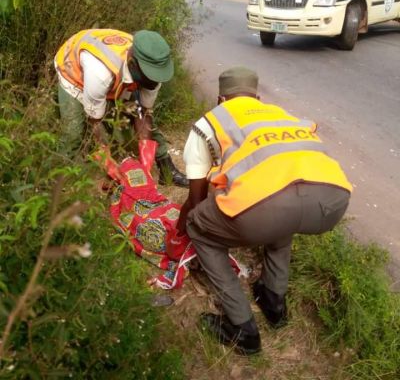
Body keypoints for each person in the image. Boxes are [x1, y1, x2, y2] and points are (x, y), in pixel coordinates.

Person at [177, 66, 352, 355]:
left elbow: (196, 197)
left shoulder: (210, 122)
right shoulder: (279, 114)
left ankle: (242, 329)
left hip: (279, 204)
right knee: (282, 209)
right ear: (256, 97)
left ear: (221, 99)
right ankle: (273, 301)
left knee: (199, 225)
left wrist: (185, 222)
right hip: (332, 200)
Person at [54, 28, 188, 187]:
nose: (153, 85)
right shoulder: (100, 73)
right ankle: (59, 184)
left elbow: (144, 114)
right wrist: (107, 161)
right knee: (73, 133)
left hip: (118, 75)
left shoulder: (153, 71)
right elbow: (95, 122)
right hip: (74, 73)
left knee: (140, 116)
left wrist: (146, 159)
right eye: (149, 79)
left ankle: (167, 170)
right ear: (133, 65)